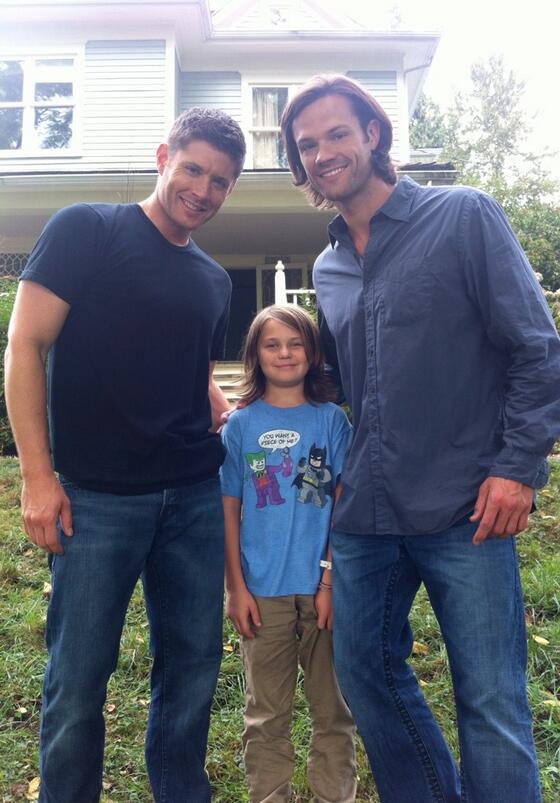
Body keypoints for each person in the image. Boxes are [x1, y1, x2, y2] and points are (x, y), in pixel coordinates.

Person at [280, 75, 560, 803]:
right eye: (307, 145)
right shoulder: (327, 267)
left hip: (464, 506)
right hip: (366, 512)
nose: (322, 153)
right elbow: (339, 385)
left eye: (336, 134)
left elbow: (537, 352)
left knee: (489, 698)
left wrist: (517, 468)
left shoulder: (463, 216)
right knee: (365, 674)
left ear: (372, 134)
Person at [4, 107, 246, 803]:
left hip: (194, 498)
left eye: (220, 181)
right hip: (96, 499)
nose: (202, 190)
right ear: (163, 156)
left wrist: (225, 409)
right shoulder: (87, 229)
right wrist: (38, 477)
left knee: (192, 669)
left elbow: (194, 371)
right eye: (192, 169)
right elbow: (25, 345)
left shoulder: (214, 280)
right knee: (78, 678)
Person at [220, 304, 356, 803]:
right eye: (272, 344)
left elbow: (342, 508)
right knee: (266, 716)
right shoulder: (239, 426)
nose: (285, 353)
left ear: (312, 353)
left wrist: (330, 582)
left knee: (334, 711)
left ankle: (333, 795)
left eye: (296, 343)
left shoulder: (331, 421)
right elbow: (228, 511)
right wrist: (236, 588)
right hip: (261, 594)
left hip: (323, 591)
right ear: (255, 354)